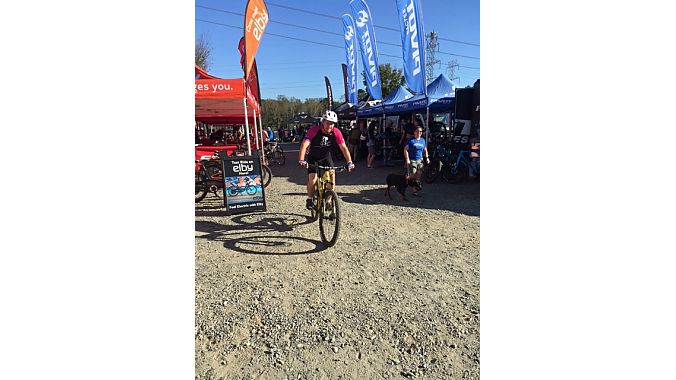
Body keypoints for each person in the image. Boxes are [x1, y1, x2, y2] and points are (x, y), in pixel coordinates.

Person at [298, 110, 354, 210]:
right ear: (323, 122)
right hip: (313, 157)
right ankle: (310, 199)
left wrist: (349, 162)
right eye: (328, 123)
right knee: (313, 178)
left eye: (332, 124)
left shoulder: (336, 132)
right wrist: (302, 160)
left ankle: (328, 200)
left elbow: (344, 148)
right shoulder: (314, 130)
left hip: (325, 156)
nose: (330, 126)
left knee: (332, 175)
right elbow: (304, 144)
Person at [403, 125, 430, 197]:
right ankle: (407, 181)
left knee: (419, 174)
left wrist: (427, 157)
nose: (419, 133)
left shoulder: (422, 140)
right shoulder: (411, 140)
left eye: (421, 131)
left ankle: (415, 190)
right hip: (413, 160)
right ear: (414, 132)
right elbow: (405, 150)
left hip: (420, 159)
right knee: (413, 174)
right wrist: (407, 159)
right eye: (418, 131)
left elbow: (425, 149)